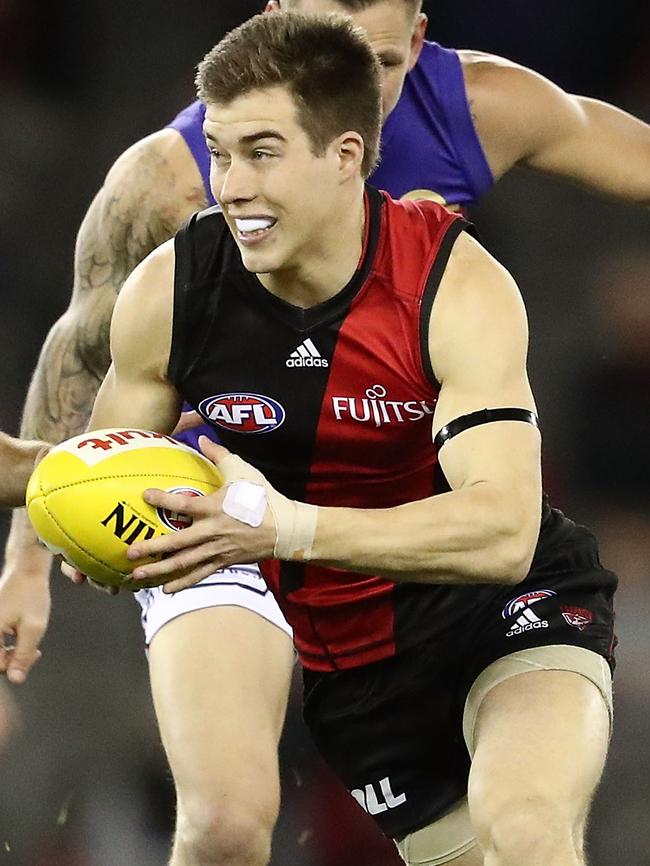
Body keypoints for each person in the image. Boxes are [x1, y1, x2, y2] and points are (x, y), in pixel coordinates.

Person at [0, 0, 642, 859]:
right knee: (224, 828)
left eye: (259, 154)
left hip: (480, 587)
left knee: (523, 830)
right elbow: (98, 454)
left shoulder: (455, 269)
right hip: (291, 582)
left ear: (350, 151)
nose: (228, 185)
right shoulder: (171, 263)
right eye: (221, 153)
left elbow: (502, 531)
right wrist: (47, 544)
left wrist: (284, 525)